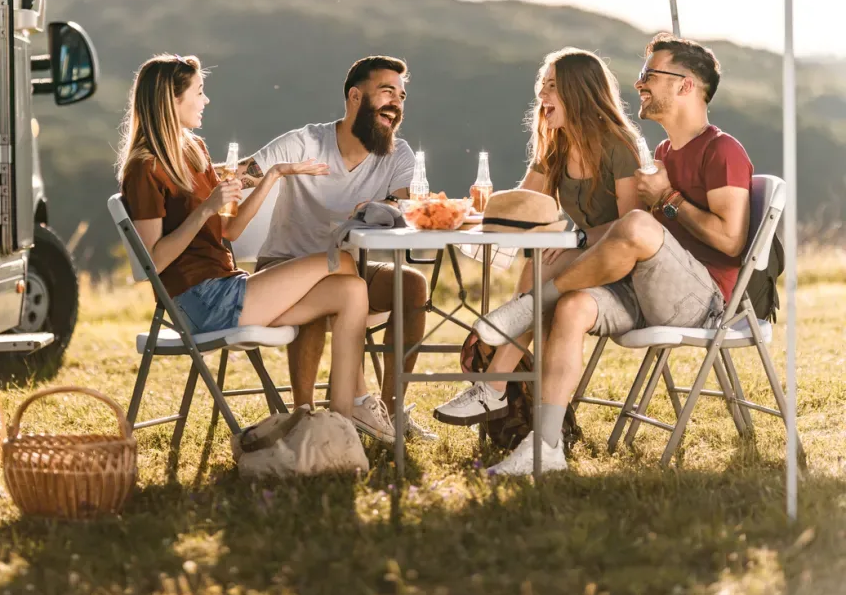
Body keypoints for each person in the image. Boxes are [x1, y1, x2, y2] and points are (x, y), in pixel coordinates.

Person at [472, 34, 753, 475]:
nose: (639, 83)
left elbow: (732, 241)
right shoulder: (663, 152)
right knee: (572, 307)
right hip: (642, 290)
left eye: (649, 74)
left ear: (685, 85)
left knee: (637, 223)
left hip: (701, 301)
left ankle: (529, 307)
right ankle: (546, 446)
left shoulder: (723, 150)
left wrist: (668, 199)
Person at [117, 53, 389, 432]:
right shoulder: (145, 167)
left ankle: (344, 418)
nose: (206, 99)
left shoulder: (194, 150)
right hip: (199, 301)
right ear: (172, 101)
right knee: (341, 261)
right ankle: (351, 408)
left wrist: (274, 174)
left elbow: (230, 232)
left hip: (227, 287)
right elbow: (154, 262)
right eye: (199, 91)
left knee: (351, 290)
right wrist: (206, 208)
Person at [435, 48, 644, 425]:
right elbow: (522, 204)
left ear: (578, 91)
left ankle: (495, 387)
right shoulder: (557, 146)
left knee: (542, 273)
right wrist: (464, 211)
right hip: (576, 258)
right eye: (542, 85)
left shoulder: (619, 145)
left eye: (551, 86)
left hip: (620, 264)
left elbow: (632, 222)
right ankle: (500, 389)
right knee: (539, 270)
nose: (541, 95)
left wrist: (577, 239)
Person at [231, 55, 434, 443]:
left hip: (349, 269)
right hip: (283, 267)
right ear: (355, 97)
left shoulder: (399, 155)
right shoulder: (305, 143)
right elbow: (238, 176)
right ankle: (304, 417)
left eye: (401, 96)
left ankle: (390, 412)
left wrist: (382, 206)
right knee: (323, 291)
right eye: (386, 91)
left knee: (411, 285)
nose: (396, 102)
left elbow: (404, 207)